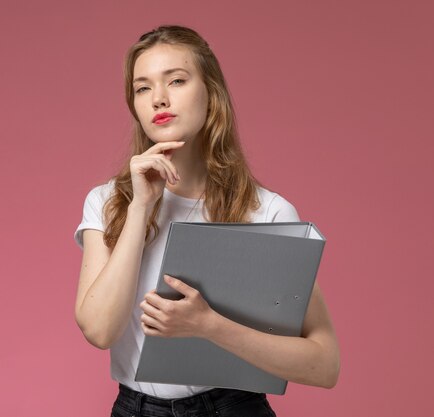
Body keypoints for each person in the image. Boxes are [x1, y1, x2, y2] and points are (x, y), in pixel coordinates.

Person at [74, 25, 340, 417]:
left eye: (177, 80)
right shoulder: (109, 202)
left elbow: (324, 364)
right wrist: (140, 208)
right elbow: (99, 331)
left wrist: (209, 325)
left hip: (233, 407)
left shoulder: (266, 212)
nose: (158, 98)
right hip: (135, 409)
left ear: (211, 93)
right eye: (142, 88)